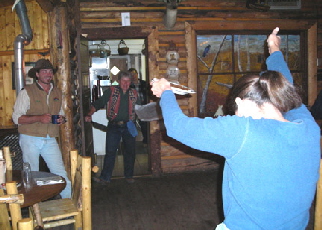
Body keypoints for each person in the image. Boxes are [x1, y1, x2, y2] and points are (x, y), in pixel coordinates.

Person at [151, 28, 320, 230]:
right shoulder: (308, 127)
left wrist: (166, 93)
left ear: (242, 102)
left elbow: (178, 127)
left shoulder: (243, 131)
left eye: (235, 109)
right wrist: (274, 48)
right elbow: (288, 88)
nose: (234, 114)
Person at [12, 59, 71, 199]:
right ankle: (35, 209)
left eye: (50, 71)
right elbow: (17, 119)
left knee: (61, 174)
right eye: (44, 71)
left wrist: (62, 119)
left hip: (50, 138)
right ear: (37, 74)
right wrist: (39, 118)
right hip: (30, 139)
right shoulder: (26, 92)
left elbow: (61, 113)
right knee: (32, 175)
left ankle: (68, 205)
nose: (48, 74)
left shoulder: (57, 92)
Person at [86, 71, 138, 184]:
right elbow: (99, 102)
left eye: (128, 81)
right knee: (110, 152)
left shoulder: (134, 93)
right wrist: (90, 113)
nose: (125, 83)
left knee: (130, 151)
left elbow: (139, 108)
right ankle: (105, 178)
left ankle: (129, 175)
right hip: (114, 126)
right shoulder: (111, 91)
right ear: (119, 81)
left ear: (130, 82)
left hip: (129, 126)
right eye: (123, 81)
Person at [129, 68, 148, 144]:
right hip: (132, 107)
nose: (133, 76)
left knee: (144, 124)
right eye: (131, 75)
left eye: (134, 74)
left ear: (137, 74)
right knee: (131, 124)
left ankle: (146, 141)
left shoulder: (144, 83)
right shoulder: (128, 85)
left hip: (143, 106)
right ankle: (131, 142)